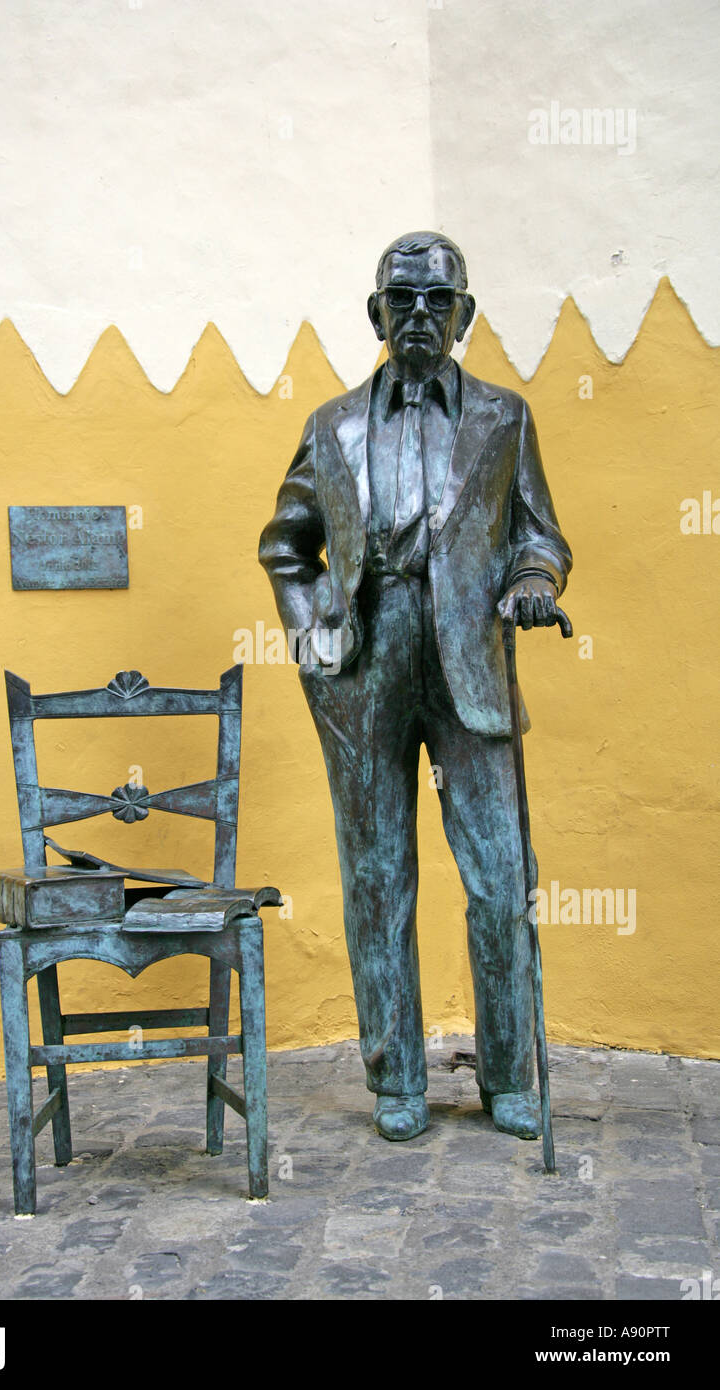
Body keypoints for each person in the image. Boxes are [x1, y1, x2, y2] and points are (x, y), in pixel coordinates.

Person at [259, 231, 572, 1142]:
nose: (422, 318)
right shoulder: (332, 426)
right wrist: (319, 637)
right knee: (378, 877)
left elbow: (538, 534)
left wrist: (532, 583)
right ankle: (395, 1077)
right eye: (405, 301)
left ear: (466, 315)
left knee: (500, 877)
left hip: (473, 657)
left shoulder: (505, 420)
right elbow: (287, 544)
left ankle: (510, 1076)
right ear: (377, 314)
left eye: (441, 302)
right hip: (367, 662)